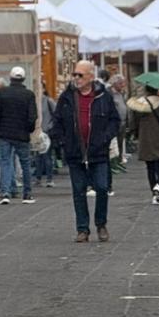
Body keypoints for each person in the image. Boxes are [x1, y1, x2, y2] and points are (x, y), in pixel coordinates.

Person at [47, 61, 120, 242]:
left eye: (80, 75)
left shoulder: (103, 96)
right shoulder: (67, 97)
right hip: (75, 152)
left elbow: (115, 120)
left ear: (90, 76)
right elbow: (57, 122)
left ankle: (101, 224)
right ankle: (82, 229)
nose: (76, 78)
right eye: (75, 75)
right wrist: (64, 141)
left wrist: (106, 137)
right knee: (79, 190)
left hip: (98, 151)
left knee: (102, 188)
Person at [0, 67, 37, 204]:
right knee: (25, 163)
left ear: (10, 78)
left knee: (5, 162)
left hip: (5, 134)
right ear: (23, 78)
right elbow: (32, 116)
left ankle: (6, 192)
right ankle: (27, 194)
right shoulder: (28, 94)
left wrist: (1, 125)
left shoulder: (3, 93)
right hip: (22, 135)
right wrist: (29, 129)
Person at [126, 85, 159, 203]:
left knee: (150, 167)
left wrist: (136, 134)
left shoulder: (138, 105)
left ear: (146, 90)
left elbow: (133, 123)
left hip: (145, 139)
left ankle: (154, 192)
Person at [34, 90, 57, 187]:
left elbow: (56, 114)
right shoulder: (34, 101)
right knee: (38, 157)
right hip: (36, 133)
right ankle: (38, 179)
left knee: (47, 156)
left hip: (46, 133)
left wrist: (49, 127)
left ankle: (49, 179)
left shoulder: (48, 101)